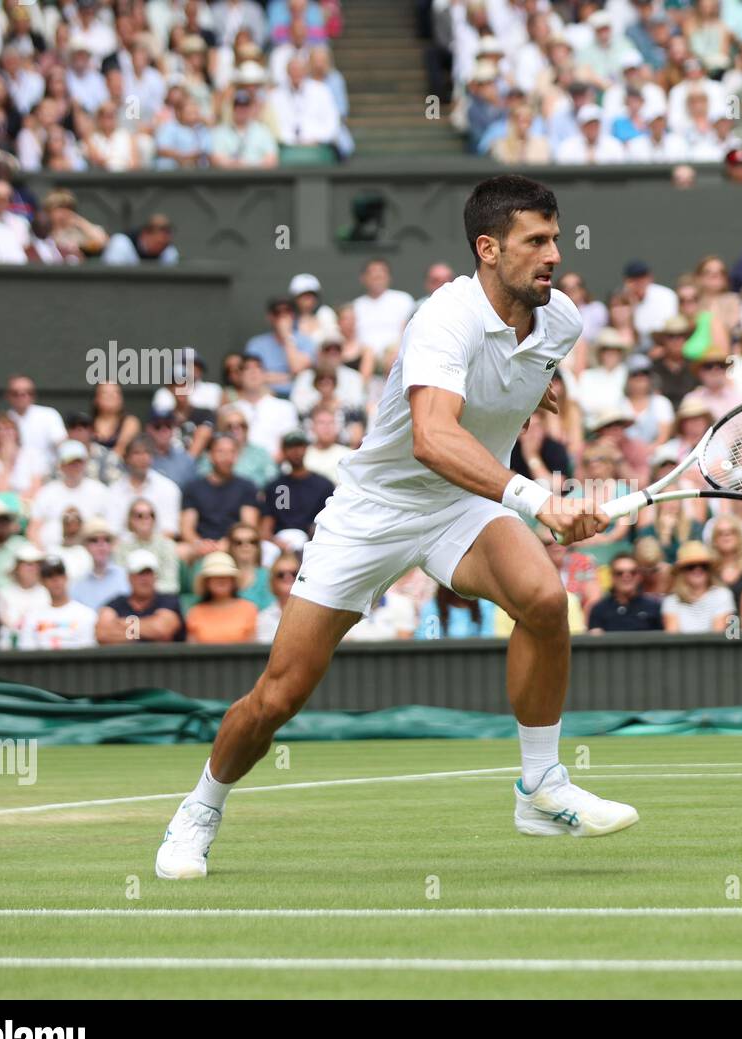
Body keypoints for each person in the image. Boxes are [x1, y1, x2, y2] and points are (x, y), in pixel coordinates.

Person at [154, 176, 636, 881]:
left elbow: (512, 383)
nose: (554, 254)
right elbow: (433, 437)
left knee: (542, 599)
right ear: (488, 248)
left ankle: (540, 787)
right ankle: (199, 809)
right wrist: (540, 501)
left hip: (462, 506)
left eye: (556, 238)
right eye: (536, 241)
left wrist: (531, 399)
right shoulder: (444, 317)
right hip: (373, 512)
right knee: (280, 694)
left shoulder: (559, 321)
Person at [96, 550, 183, 644]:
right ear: (129, 577)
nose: (145, 579)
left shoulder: (169, 600)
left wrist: (121, 623)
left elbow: (161, 629)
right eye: (140, 573)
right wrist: (147, 632)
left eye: (149, 573)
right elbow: (102, 634)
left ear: (155, 576)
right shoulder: (116, 602)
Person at [17, 557, 98, 650]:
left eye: (59, 574)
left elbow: (88, 651)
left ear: (66, 577)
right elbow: (27, 651)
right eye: (49, 575)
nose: (55, 580)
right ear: (42, 581)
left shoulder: (86, 614)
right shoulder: (32, 617)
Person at [185, 551, 259, 643]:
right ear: (207, 582)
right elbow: (191, 652)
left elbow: (253, 649)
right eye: (214, 576)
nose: (221, 579)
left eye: (226, 575)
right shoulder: (195, 612)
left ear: (233, 580)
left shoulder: (249, 609)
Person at [662, 540, 735, 633]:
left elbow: (718, 636)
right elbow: (673, 639)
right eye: (691, 566)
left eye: (703, 566)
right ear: (681, 572)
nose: (698, 569)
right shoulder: (671, 601)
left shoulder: (723, 595)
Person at [587, 552, 664, 633]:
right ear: (612, 576)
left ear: (639, 576)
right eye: (619, 573)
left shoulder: (654, 607)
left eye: (632, 572)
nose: (626, 576)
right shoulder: (599, 609)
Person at [255, 552, 302, 642]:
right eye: (281, 574)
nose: (288, 577)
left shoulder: (314, 614)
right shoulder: (263, 618)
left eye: (294, 573)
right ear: (273, 581)